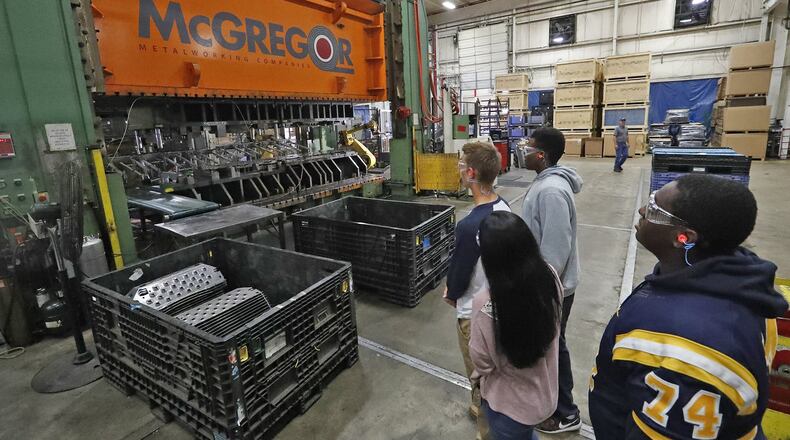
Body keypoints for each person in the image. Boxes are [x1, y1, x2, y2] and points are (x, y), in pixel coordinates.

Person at [589, 175, 788, 439]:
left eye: (653, 209)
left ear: (683, 237)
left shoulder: (689, 352)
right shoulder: (735, 281)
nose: (641, 211)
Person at [470, 211, 563, 440]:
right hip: (545, 393)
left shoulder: (486, 303)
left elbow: (481, 360)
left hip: (510, 406)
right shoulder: (549, 276)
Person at [444, 141, 511, 440]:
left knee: (481, 379)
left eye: (460, 165)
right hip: (501, 306)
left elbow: (457, 280)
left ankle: (486, 430)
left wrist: (451, 294)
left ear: (471, 173)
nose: (458, 170)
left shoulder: (470, 226)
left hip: (475, 315)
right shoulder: (504, 207)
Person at [520, 128, 584, 434]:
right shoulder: (544, 183)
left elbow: (556, 251)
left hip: (553, 287)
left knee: (554, 347)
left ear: (541, 155)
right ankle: (553, 403)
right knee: (552, 345)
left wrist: (541, 290)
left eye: (528, 146)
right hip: (547, 283)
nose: (523, 150)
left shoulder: (551, 191)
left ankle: (566, 412)